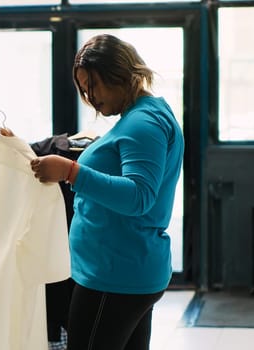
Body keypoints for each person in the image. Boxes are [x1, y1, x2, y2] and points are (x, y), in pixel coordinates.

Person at [29, 34, 184, 350]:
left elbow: (140, 195)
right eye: (84, 89)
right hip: (124, 270)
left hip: (115, 276)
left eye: (94, 85)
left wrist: (71, 172)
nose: (90, 96)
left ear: (119, 73)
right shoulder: (144, 114)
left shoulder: (143, 123)